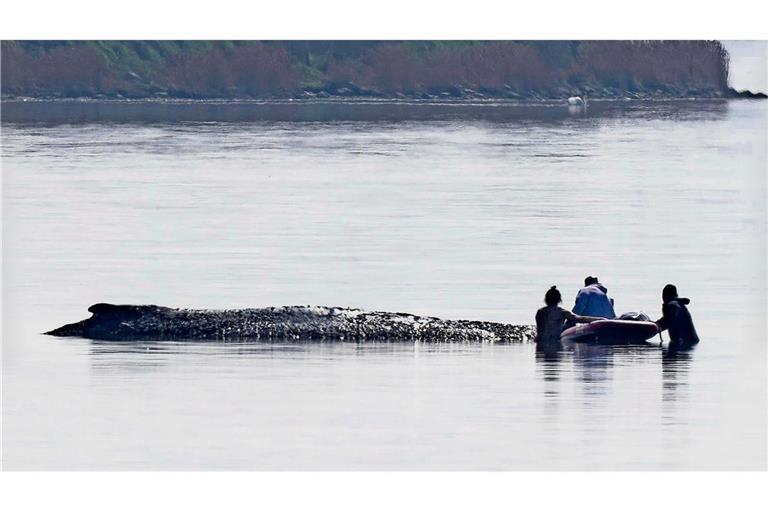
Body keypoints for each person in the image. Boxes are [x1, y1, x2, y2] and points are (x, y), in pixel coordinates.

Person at [535, 286, 601, 345]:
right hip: (554, 342)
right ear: (559, 300)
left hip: (539, 342)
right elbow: (580, 319)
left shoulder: (540, 312)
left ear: (546, 299)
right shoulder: (561, 312)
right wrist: (600, 319)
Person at [655, 284, 699, 348]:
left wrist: (656, 325)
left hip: (684, 344)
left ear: (666, 295)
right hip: (689, 344)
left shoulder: (673, 305)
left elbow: (670, 318)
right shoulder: (678, 304)